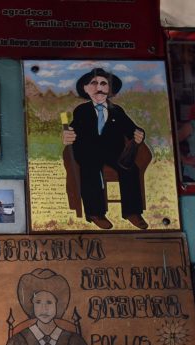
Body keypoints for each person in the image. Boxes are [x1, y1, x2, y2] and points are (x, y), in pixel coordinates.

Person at [62, 67, 148, 230]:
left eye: (103, 83)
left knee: (130, 169)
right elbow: (73, 129)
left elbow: (132, 129)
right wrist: (68, 134)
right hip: (88, 151)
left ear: (110, 89)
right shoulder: (82, 111)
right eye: (93, 83)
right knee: (90, 168)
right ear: (86, 89)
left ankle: (132, 212)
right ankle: (95, 213)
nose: (99, 88)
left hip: (112, 152)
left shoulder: (117, 111)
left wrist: (139, 134)